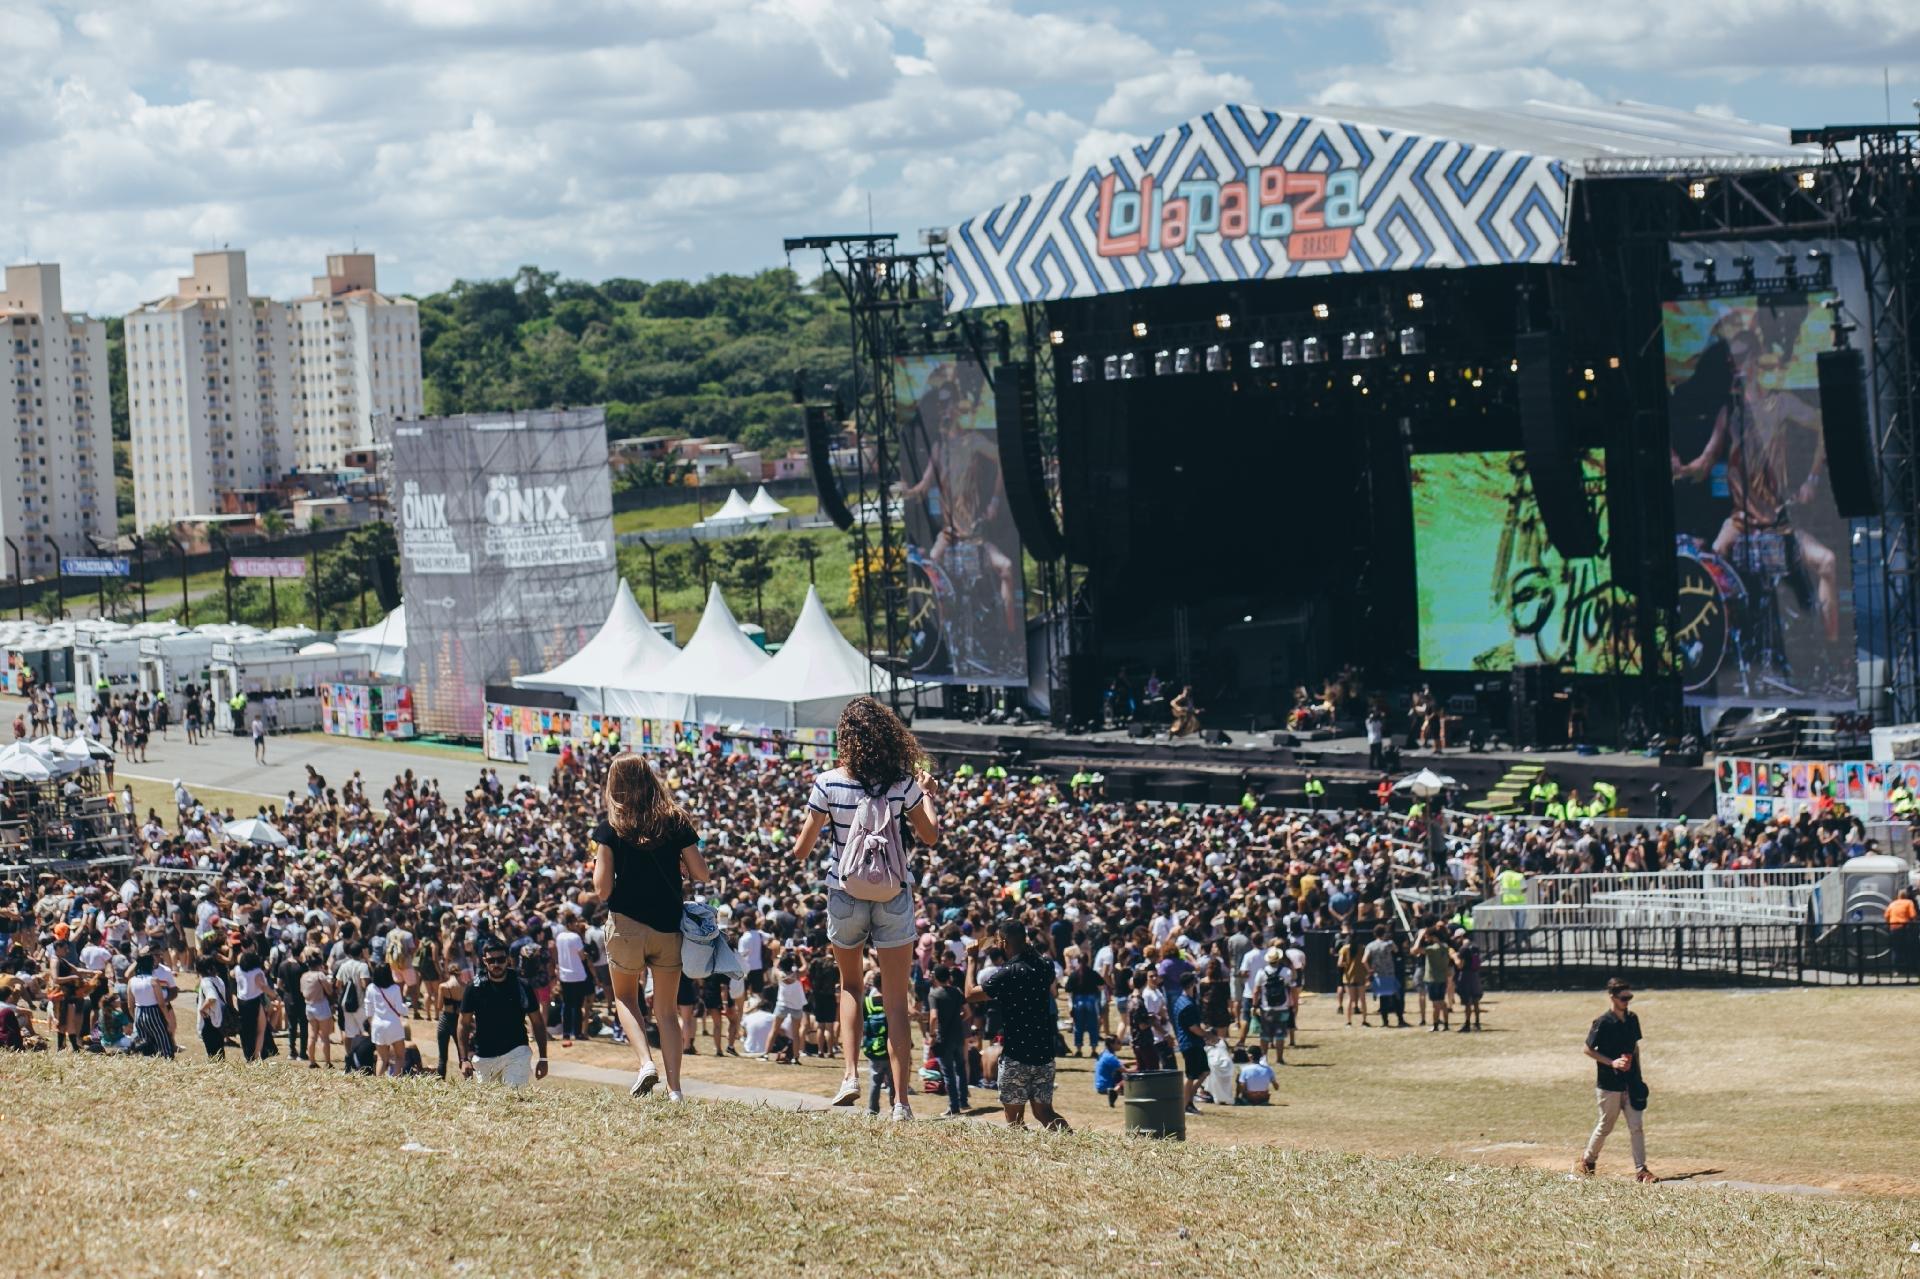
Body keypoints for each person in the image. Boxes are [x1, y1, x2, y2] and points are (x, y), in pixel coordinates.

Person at [792, 696, 938, 1119]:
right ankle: (901, 1102)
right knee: (895, 1000)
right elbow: (929, 837)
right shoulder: (903, 783)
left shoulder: (828, 783)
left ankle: (850, 1076)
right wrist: (927, 795)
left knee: (851, 986)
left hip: (845, 890)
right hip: (892, 890)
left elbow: (801, 850)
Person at [591, 751, 708, 1102]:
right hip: (668, 927)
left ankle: (645, 1063)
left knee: (626, 998)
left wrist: (599, 860)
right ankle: (675, 1090)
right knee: (668, 1012)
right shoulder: (674, 821)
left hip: (626, 925)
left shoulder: (610, 828)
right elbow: (702, 873)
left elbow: (602, 889)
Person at [970, 919, 1069, 1131]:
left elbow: (970, 995)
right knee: (1045, 1112)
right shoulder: (1045, 966)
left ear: (1004, 942)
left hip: (1017, 1054)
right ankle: (1076, 1147)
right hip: (1043, 1052)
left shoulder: (1009, 972)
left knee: (1014, 1121)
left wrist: (971, 960)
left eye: (997, 941)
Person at [1576, 977, 1653, 1183]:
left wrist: (1637, 1075)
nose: (1627, 1001)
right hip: (1609, 1084)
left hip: (1630, 1082)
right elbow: (1587, 1049)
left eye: (1629, 997)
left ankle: (1641, 1170)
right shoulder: (1602, 1023)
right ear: (1612, 997)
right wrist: (1612, 1063)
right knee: (1606, 1126)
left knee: (1636, 1126)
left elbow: (1635, 1047)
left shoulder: (1632, 1019)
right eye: (1623, 998)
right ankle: (1588, 1160)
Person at [459, 938, 550, 1088]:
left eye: (500, 959)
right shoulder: (474, 988)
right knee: (491, 1106)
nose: (496, 964)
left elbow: (538, 1023)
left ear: (508, 960)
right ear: (484, 961)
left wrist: (544, 1058)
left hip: (517, 1052)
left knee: (514, 1098)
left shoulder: (522, 986)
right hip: (485, 1056)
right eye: (491, 960)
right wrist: (463, 1059)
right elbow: (463, 1023)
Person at [926, 963, 970, 1115]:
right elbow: (968, 1012)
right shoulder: (957, 991)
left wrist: (932, 1034)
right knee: (961, 1069)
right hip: (958, 1035)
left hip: (943, 1038)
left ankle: (954, 1107)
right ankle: (963, 1101)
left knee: (948, 1073)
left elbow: (933, 1017)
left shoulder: (934, 994)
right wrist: (957, 1020)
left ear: (936, 978)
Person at [1171, 970, 1208, 1116]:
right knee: (1192, 1075)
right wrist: (1208, 1035)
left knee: (1204, 1071)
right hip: (1190, 1043)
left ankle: (1188, 1100)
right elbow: (1193, 1028)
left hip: (1192, 1043)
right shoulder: (1187, 1004)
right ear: (1192, 984)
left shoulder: (1181, 1000)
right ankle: (1185, 1104)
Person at [128, 951, 175, 1059]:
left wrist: (135, 1018)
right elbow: (161, 1004)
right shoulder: (153, 981)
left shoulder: (132, 981)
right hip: (153, 1012)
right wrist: (168, 1020)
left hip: (139, 1012)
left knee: (145, 1045)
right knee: (163, 1041)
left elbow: (130, 1005)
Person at [861, 973, 894, 1115]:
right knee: (894, 1082)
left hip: (874, 1047)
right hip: (891, 1047)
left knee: (875, 1080)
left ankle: (872, 1109)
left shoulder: (867, 1001)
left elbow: (863, 1025)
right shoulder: (892, 1000)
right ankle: (896, 1107)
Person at [299, 951, 337, 1070]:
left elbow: (302, 991)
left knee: (312, 1035)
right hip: (320, 1005)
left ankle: (312, 1061)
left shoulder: (304, 976)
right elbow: (329, 990)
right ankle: (327, 1062)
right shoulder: (320, 975)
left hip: (309, 1006)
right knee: (325, 1036)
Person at [1093, 1034, 1125, 1107]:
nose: (1121, 1044)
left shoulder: (1104, 1054)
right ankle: (1115, 1090)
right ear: (1111, 1044)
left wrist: (1136, 1061)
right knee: (1131, 1076)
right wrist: (1138, 1069)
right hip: (1106, 1087)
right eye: (1118, 1042)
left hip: (1100, 1086)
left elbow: (1119, 1063)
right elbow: (1126, 1071)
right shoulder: (1110, 1057)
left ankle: (1117, 1089)